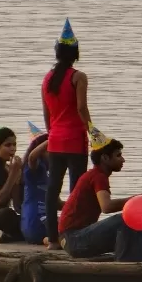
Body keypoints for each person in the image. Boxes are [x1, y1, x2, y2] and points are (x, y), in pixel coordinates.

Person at [56, 126, 142, 261]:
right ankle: (126, 265)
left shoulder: (96, 175)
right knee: (125, 219)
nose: (123, 160)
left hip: (74, 238)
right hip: (74, 239)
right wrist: (138, 199)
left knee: (137, 227)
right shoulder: (98, 176)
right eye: (118, 155)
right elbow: (107, 206)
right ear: (105, 158)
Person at [42, 18, 93, 247]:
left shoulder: (47, 79)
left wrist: (52, 133)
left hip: (55, 141)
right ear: (75, 53)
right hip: (75, 140)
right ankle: (73, 237)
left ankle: (52, 238)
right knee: (76, 190)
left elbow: (47, 114)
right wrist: (92, 131)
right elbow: (81, 107)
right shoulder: (78, 77)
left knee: (52, 189)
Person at [20, 131, 50, 245]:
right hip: (35, 223)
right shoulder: (34, 169)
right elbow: (32, 157)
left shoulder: (47, 175)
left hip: (38, 223)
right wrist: (52, 139)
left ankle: (49, 240)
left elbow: (57, 203)